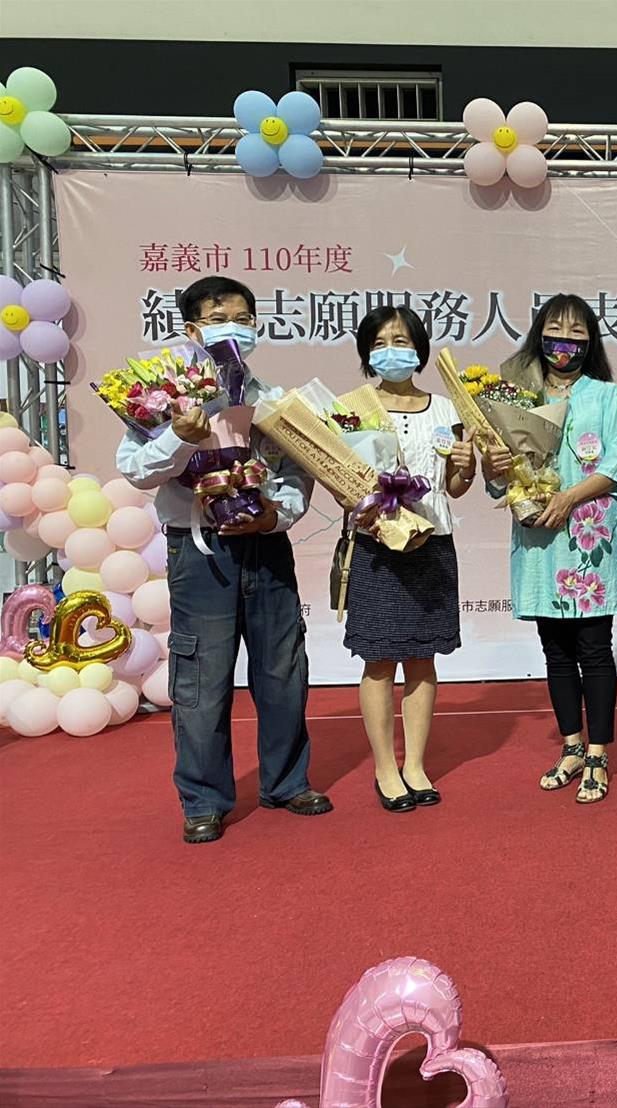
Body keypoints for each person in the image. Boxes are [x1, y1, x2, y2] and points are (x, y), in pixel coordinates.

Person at [115, 275, 330, 844]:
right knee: (201, 676)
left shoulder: (271, 397)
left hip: (266, 545)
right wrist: (180, 437)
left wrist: (275, 514)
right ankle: (203, 799)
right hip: (200, 550)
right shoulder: (160, 396)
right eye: (218, 319)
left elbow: (296, 471)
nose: (233, 329)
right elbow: (136, 470)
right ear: (192, 330)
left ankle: (287, 782)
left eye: (243, 319)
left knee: (283, 669)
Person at [481, 294, 617, 804]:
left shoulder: (606, 395)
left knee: (594, 648)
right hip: (540, 537)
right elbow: (498, 476)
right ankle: (571, 746)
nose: (564, 341)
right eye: (554, 330)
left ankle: (598, 753)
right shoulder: (515, 395)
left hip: (590, 537)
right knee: (555, 650)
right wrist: (492, 466)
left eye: (576, 332)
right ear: (538, 335)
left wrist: (569, 497)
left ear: (591, 340)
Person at [345, 307, 475, 812]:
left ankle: (415, 764)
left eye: (400, 341)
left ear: (419, 348)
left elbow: (455, 488)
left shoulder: (446, 409)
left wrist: (465, 467)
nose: (390, 350)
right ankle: (385, 766)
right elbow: (339, 480)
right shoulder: (351, 408)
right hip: (377, 547)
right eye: (379, 343)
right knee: (379, 659)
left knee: (423, 657)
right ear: (366, 353)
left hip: (432, 544)